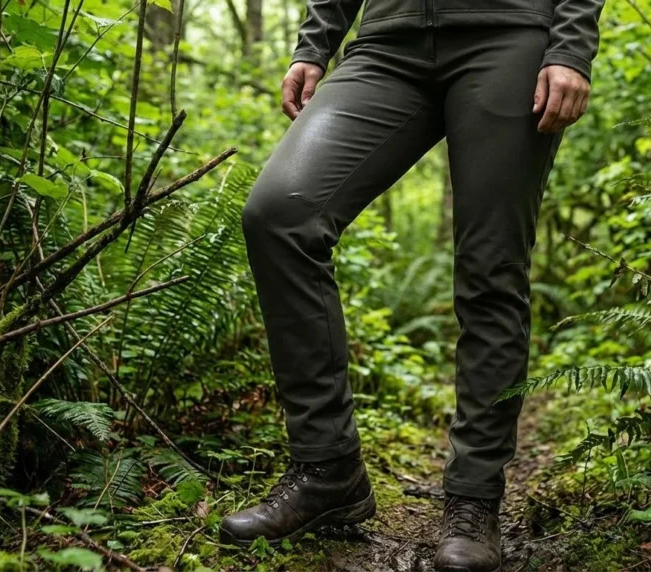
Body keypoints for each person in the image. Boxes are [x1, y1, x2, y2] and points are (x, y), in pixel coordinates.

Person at [221, 0, 603, 569]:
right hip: (386, 44)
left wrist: (570, 45)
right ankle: (327, 471)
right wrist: (314, 44)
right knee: (280, 214)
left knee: (490, 269)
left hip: (509, 37)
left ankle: (474, 500)